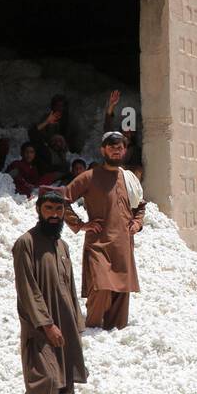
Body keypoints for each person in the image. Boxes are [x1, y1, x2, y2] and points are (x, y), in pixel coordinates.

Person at [9, 190, 87, 394]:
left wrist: (77, 321)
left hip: (65, 325)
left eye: (58, 210)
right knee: (46, 379)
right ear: (39, 211)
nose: (54, 215)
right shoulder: (26, 243)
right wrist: (46, 323)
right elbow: (27, 288)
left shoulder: (62, 246)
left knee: (66, 384)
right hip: (40, 325)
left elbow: (70, 288)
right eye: (49, 209)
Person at [62, 131, 146, 330]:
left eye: (120, 148)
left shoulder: (129, 178)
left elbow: (140, 205)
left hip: (123, 245)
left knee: (121, 295)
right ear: (103, 150)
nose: (116, 152)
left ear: (124, 150)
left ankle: (115, 337)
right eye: (112, 148)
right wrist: (80, 224)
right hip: (98, 244)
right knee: (100, 288)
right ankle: (91, 332)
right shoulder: (89, 176)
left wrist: (137, 223)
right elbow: (63, 200)